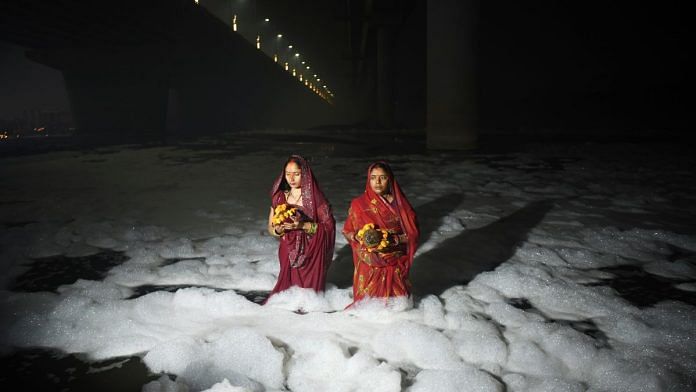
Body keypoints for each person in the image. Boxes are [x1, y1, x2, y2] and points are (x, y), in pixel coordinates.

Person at [342, 161, 419, 306]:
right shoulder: (359, 204)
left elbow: (413, 234)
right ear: (368, 179)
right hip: (369, 258)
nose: (377, 182)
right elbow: (347, 231)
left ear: (389, 179)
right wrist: (359, 237)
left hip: (394, 258)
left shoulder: (401, 205)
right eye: (373, 177)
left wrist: (393, 239)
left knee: (396, 306)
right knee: (368, 307)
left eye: (382, 177)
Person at [265, 155, 336, 302]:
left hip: (311, 252)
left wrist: (302, 225)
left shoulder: (316, 199)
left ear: (304, 175)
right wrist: (278, 231)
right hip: (287, 250)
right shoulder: (279, 198)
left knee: (309, 299)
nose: (291, 178)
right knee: (287, 296)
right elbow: (271, 227)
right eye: (288, 174)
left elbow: (328, 227)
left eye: (296, 174)